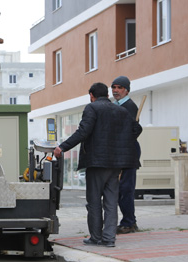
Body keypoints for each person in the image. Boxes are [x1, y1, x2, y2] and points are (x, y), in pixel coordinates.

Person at [53, 82, 142, 247]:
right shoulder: (121, 110)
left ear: (92, 96)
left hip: (97, 163)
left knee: (94, 201)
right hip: (116, 164)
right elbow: (137, 130)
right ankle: (109, 238)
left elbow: (83, 131)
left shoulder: (92, 108)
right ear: (107, 95)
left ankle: (96, 237)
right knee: (110, 201)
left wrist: (62, 147)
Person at [111, 76, 141, 234]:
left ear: (126, 90)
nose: (115, 90)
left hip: (128, 151)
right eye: (113, 87)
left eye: (119, 87)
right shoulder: (115, 106)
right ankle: (128, 221)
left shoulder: (129, 106)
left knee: (126, 188)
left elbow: (130, 132)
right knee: (119, 188)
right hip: (119, 151)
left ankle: (129, 222)